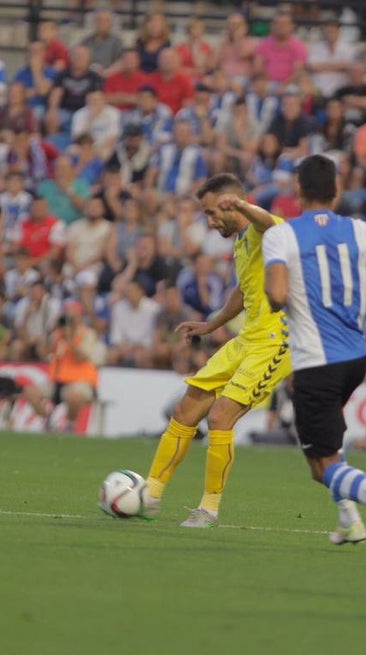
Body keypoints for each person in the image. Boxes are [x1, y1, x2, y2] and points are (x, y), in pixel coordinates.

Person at [262, 154, 366, 558]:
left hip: (316, 362)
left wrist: (281, 295)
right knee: (326, 449)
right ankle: (350, 521)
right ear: (337, 191)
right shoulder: (362, 231)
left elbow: (277, 294)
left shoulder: (282, 235)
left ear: (298, 191)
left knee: (323, 467)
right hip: (355, 359)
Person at [142, 174, 292, 527]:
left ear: (232, 204)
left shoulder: (261, 230)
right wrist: (211, 324)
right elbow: (243, 291)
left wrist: (243, 206)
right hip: (247, 338)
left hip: (276, 341)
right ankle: (149, 495)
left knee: (221, 417)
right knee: (187, 406)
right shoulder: (242, 243)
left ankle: (208, 509)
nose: (210, 223)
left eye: (212, 213)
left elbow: (272, 224)